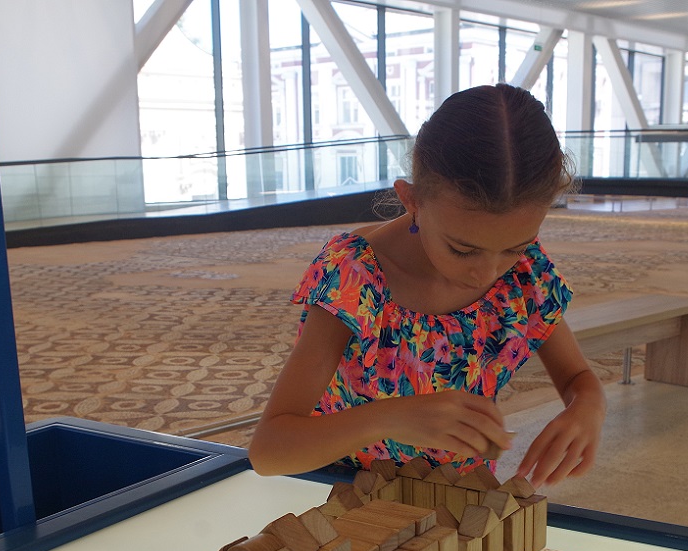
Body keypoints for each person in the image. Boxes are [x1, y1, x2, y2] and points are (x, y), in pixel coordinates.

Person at [248, 83, 604, 488]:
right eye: (462, 249)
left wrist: (588, 406)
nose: (487, 273)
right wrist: (391, 417)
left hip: (459, 503)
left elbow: (577, 377)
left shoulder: (523, 272)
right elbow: (269, 450)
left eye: (513, 247)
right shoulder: (355, 277)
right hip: (349, 504)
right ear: (412, 199)